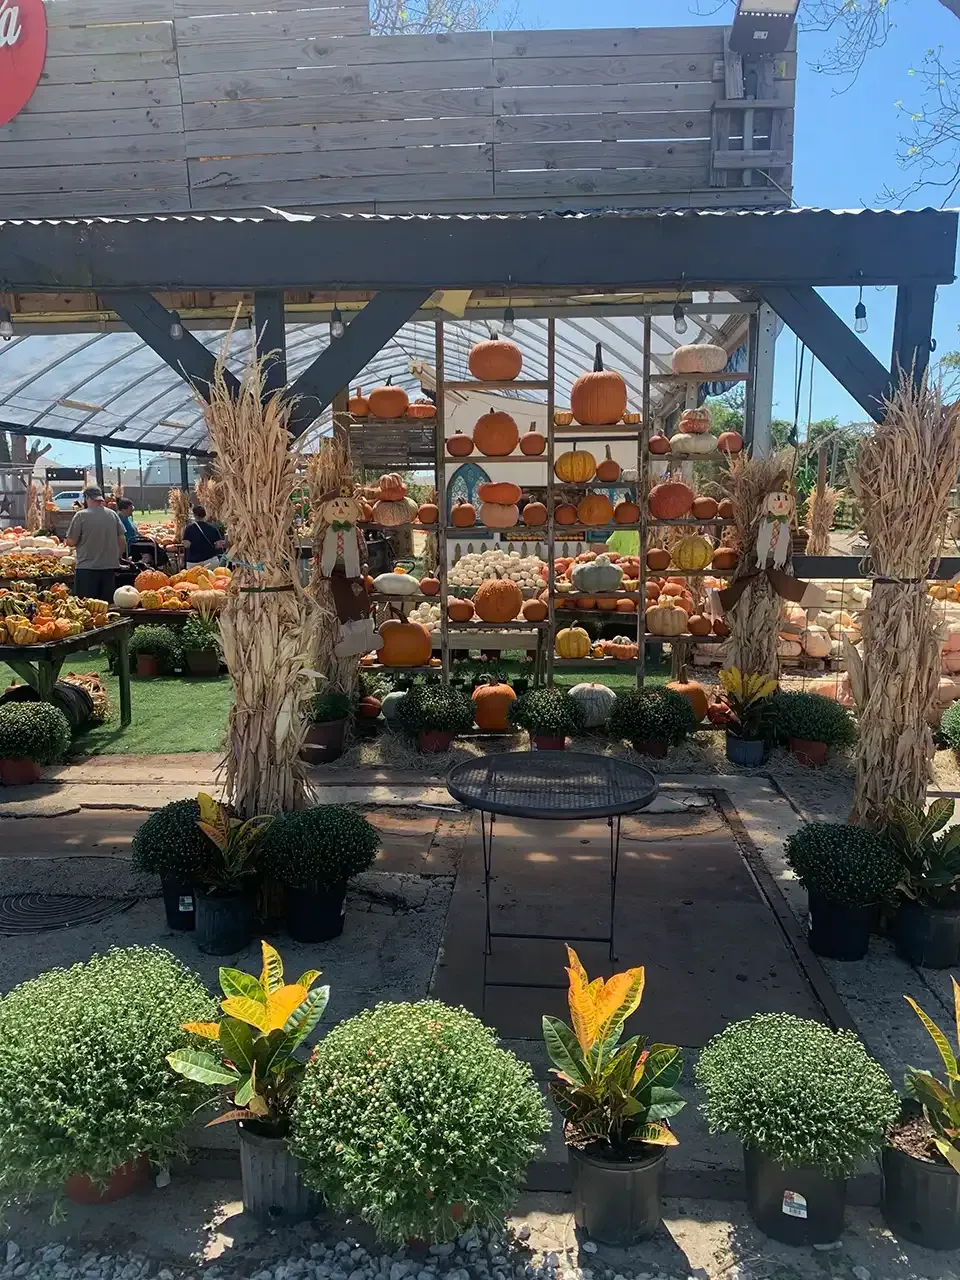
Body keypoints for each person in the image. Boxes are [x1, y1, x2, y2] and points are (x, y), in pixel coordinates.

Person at [65, 486, 127, 602]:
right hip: (109, 569)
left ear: (87, 497)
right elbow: (122, 540)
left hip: (87, 569)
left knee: (86, 607)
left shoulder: (81, 516)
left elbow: (71, 542)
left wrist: (66, 540)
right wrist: (117, 557)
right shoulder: (112, 515)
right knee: (105, 606)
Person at [182, 504, 225, 569]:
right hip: (210, 561)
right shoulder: (212, 528)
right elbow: (219, 545)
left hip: (194, 562)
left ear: (194, 515)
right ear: (205, 515)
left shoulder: (189, 528)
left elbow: (186, 545)